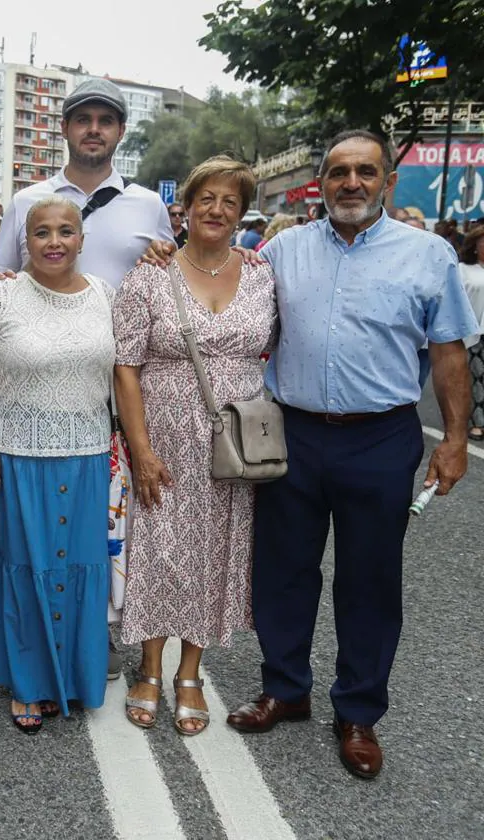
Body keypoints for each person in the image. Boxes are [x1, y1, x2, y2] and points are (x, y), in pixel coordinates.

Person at [213, 131, 476, 779]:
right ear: (323, 182)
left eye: (365, 172)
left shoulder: (428, 256)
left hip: (380, 439)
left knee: (370, 580)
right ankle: (286, 689)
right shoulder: (280, 251)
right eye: (338, 172)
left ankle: (357, 712)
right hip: (292, 434)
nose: (350, 183)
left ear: (386, 181)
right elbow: (220, 293)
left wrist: (452, 439)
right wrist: (170, 255)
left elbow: (448, 354)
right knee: (282, 569)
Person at [113, 156, 277, 736]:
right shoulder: (150, 273)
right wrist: (141, 447)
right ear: (185, 206)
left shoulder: (261, 272)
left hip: (235, 443)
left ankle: (191, 671)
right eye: (206, 198)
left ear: (241, 213)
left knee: (216, 551)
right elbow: (125, 366)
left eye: (229, 201)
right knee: (159, 548)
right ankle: (150, 666)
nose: (216, 210)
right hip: (164, 436)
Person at [0, 196, 116, 733]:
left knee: (80, 567)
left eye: (66, 231)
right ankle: (28, 682)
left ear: (81, 239)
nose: (54, 242)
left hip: (88, 457)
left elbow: (123, 372)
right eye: (42, 232)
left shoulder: (104, 295)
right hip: (18, 457)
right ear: (26, 240)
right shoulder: (3, 296)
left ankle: (72, 675)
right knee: (27, 568)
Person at [0, 78, 173, 292]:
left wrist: (163, 258)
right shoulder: (25, 201)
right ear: (65, 128)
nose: (94, 130)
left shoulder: (150, 205)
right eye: (83, 120)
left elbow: (171, 279)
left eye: (106, 121)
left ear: (121, 131)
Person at [459, 226, 484, 441]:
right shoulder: (464, 270)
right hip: (476, 333)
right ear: (475, 246)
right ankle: (478, 423)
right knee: (477, 378)